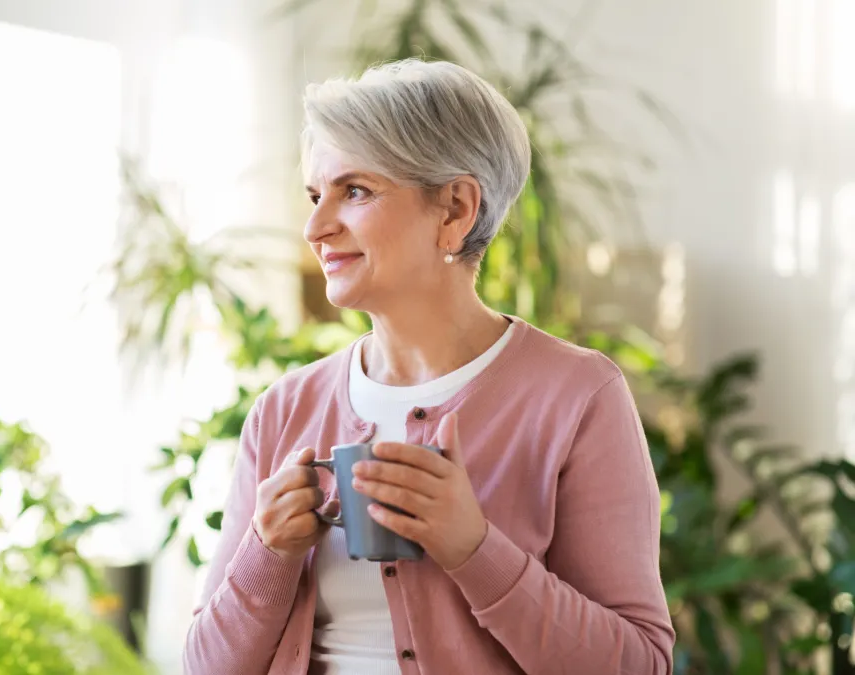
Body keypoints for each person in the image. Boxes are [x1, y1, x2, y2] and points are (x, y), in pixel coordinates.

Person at [182, 58, 675, 675]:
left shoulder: (578, 396)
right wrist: (268, 552)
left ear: (455, 210)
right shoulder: (285, 409)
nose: (314, 226)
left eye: (354, 190)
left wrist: (474, 549)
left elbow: (639, 664)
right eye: (315, 194)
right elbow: (203, 667)